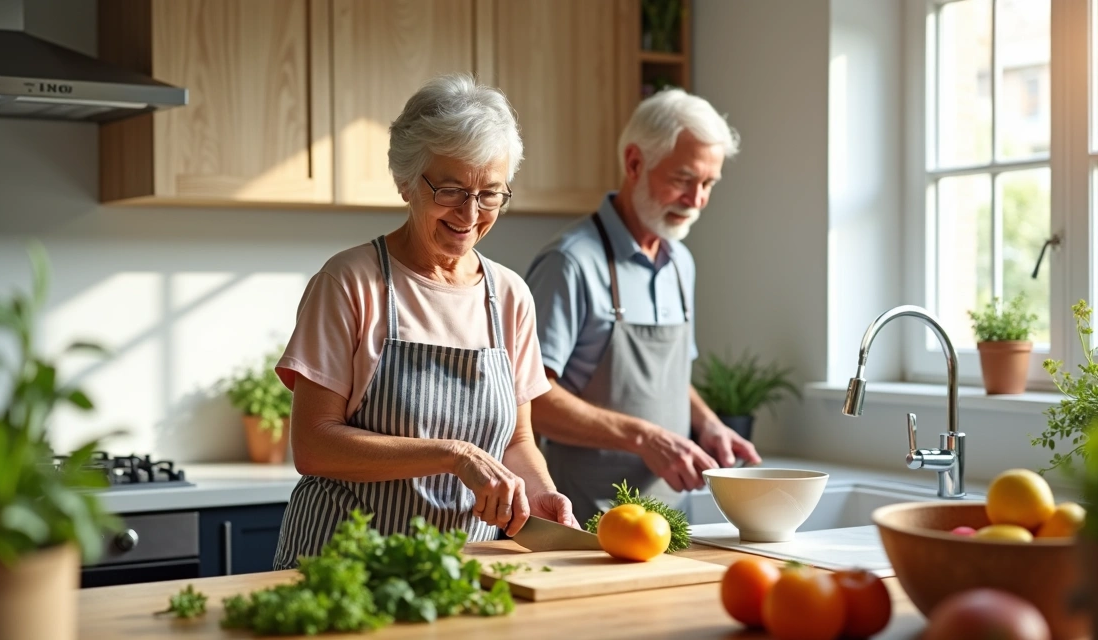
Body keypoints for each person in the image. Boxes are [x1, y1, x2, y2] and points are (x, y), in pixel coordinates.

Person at [272, 74, 576, 569]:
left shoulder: (509, 296)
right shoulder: (350, 283)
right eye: (452, 189)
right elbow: (313, 444)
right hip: (345, 568)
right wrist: (453, 454)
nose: (471, 213)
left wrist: (542, 494)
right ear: (407, 181)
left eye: (491, 193)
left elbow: (517, 440)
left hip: (463, 569)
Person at [524, 88, 762, 524]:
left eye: (708, 183)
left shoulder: (680, 262)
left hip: (671, 521)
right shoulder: (571, 262)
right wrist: (643, 437)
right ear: (634, 163)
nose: (697, 201)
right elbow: (531, 400)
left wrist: (707, 422)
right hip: (585, 523)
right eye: (683, 179)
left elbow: (669, 381)